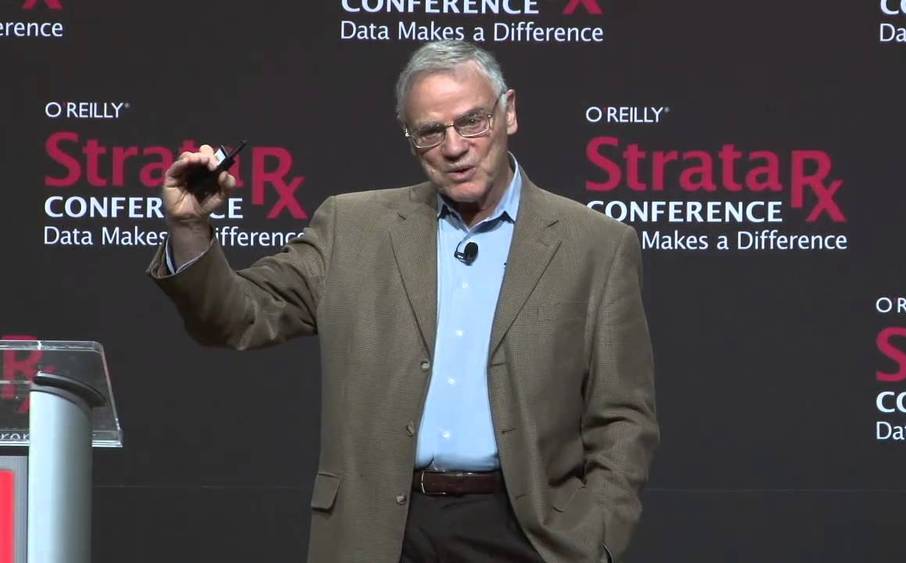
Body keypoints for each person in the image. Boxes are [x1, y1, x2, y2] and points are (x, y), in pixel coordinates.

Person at [148, 40, 658, 563]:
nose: (454, 147)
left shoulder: (595, 245)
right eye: (431, 131)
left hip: (528, 536)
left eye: (472, 121)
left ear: (508, 112)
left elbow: (623, 417)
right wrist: (190, 228)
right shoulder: (352, 227)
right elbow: (237, 318)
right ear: (411, 140)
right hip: (379, 533)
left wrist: (594, 539)